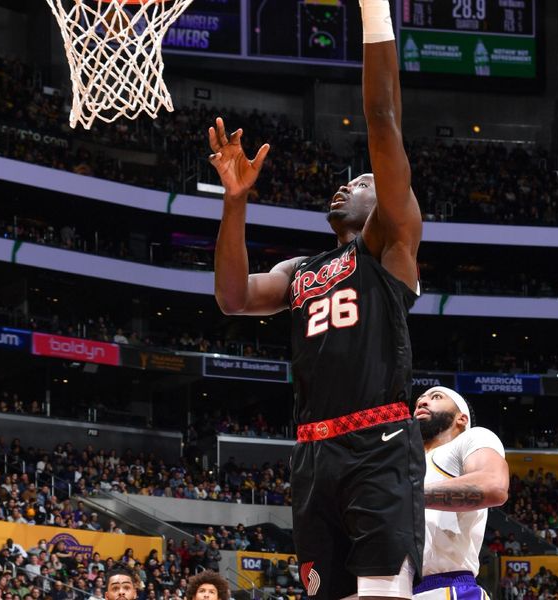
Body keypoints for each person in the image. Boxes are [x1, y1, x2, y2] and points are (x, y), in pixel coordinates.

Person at [209, 2, 422, 600]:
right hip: (312, 453)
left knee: (381, 594)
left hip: (378, 444)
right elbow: (233, 297)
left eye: (360, 181)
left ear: (385, 197)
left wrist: (375, 12)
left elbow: (382, 120)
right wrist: (235, 202)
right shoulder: (301, 271)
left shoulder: (389, 245)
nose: (345, 184)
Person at [411, 387, 509, 600]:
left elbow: (493, 485)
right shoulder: (404, 464)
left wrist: (406, 496)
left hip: (448, 587)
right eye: (419, 400)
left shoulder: (472, 438)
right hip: (396, 589)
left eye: (436, 397)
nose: (422, 402)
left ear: (461, 418)